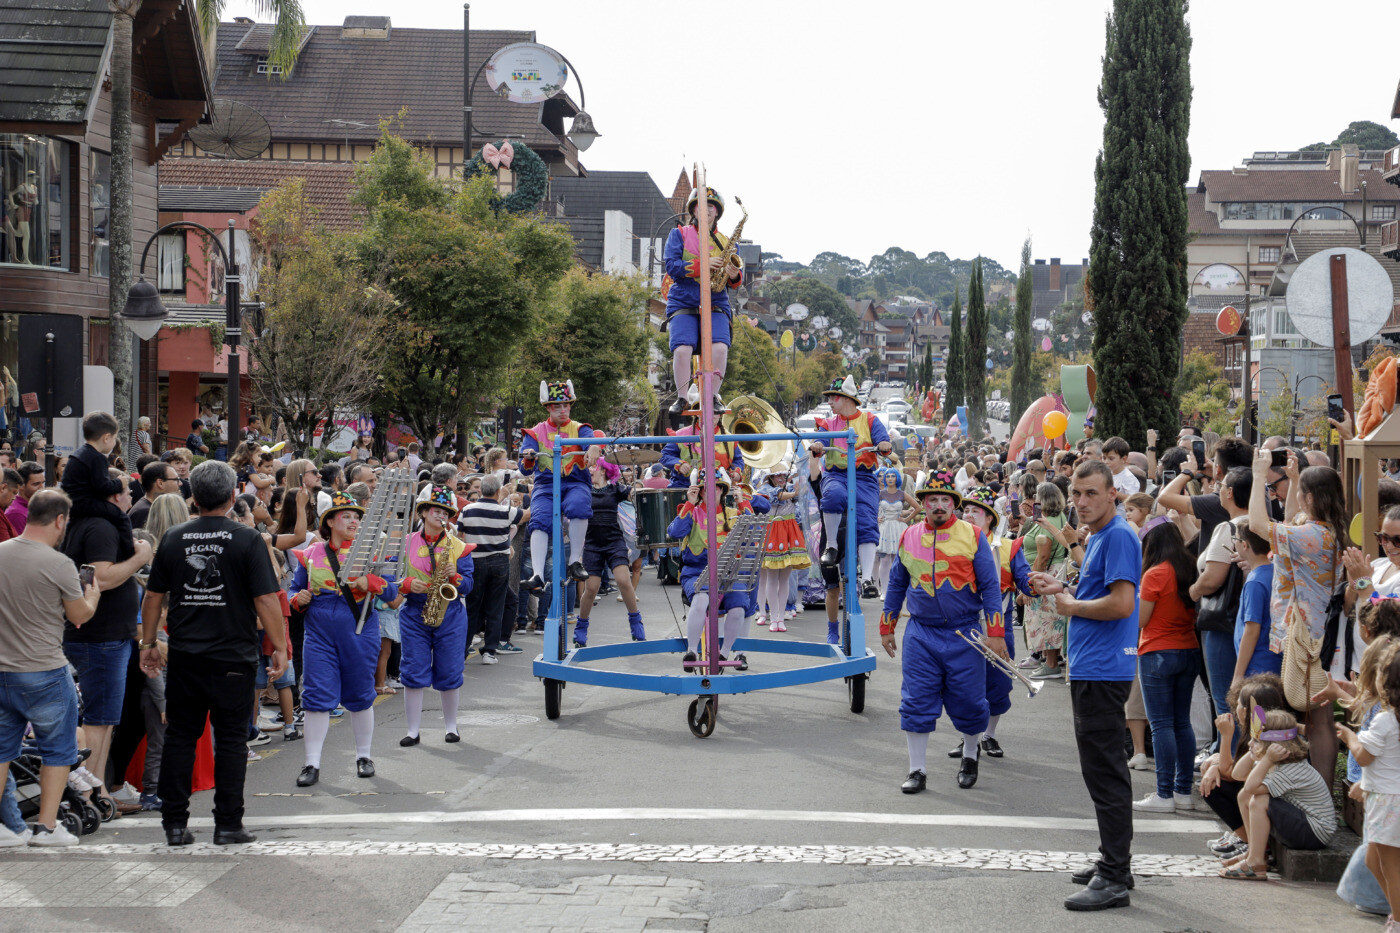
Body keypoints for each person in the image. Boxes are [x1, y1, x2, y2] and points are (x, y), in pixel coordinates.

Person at [138, 460, 286, 846]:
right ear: (233, 494)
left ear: (193, 496)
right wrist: (280, 647)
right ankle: (228, 824)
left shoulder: (172, 537)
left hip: (186, 655)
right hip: (233, 657)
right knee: (233, 741)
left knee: (181, 737)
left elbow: (154, 596)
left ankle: (174, 824)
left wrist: (149, 642)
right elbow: (267, 600)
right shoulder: (248, 539)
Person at [1029, 460, 1140, 911]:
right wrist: (1062, 585)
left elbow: (1120, 603)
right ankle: (1116, 864)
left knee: (1105, 772)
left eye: (1091, 493)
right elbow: (1098, 591)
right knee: (1102, 770)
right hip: (1095, 666)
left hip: (1104, 668)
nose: (1081, 502)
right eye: (1077, 494)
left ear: (1113, 493)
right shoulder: (1098, 537)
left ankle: (1114, 875)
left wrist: (1070, 606)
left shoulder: (1117, 536)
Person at [880, 470, 1004, 792]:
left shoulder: (973, 536)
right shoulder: (909, 536)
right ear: (922, 503)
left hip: (966, 634)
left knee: (970, 701)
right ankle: (917, 770)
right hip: (921, 634)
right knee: (916, 700)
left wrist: (996, 633)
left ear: (954, 504)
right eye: (932, 499)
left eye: (944, 500)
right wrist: (887, 625)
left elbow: (991, 587)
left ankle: (970, 753)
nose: (938, 505)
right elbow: (896, 583)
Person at [0, 490, 101, 846]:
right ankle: (45, 828)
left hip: (2, 669)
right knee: (58, 751)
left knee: (1, 751)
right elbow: (79, 617)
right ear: (60, 520)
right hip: (44, 669)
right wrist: (92, 596)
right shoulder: (59, 563)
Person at [1249, 447, 1348, 789]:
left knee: (1316, 717)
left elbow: (1258, 525)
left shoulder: (1312, 536)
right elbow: (1291, 519)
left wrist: (1260, 475)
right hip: (1316, 631)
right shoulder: (1326, 528)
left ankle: (1317, 791)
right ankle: (1316, 788)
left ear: (1310, 498)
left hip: (1309, 637)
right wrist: (1293, 481)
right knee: (1314, 714)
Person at [289, 491, 398, 787]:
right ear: (330, 522)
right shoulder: (310, 555)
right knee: (316, 697)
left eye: (356, 517)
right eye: (346, 516)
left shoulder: (372, 552)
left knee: (361, 695)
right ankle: (312, 762)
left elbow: (393, 593)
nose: (353, 521)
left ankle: (364, 756)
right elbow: (294, 589)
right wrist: (297, 598)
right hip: (319, 633)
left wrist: (372, 582)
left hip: (360, 630)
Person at [61, 466, 152, 813]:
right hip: (101, 639)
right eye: (129, 491)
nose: (133, 496)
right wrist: (141, 557)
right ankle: (90, 797)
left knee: (105, 720)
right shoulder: (100, 526)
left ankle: (98, 792)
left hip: (104, 637)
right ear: (115, 496)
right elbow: (100, 578)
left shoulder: (93, 524)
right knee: (100, 721)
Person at [948, 486, 1032, 760]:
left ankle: (989, 735)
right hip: (964, 627)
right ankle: (967, 737)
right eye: (967, 511)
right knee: (964, 686)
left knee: (998, 684)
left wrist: (1036, 584)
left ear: (990, 519)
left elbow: (1024, 579)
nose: (969, 516)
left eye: (977, 512)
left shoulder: (1007, 547)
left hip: (1000, 626)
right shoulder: (952, 545)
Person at [1131, 521, 1200, 813]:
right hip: (1189, 648)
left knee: (1161, 725)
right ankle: (1183, 791)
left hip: (1157, 649)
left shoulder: (1155, 573)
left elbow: (1140, 620)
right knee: (1182, 722)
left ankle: (1164, 794)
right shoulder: (1190, 568)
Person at [1219, 707, 1336, 879]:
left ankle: (1255, 863)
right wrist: (1255, 752)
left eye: (1256, 740)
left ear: (1274, 746)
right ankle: (1255, 853)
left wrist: (1265, 758)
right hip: (1305, 825)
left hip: (1315, 833)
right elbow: (1238, 775)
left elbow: (1252, 788)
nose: (1250, 744)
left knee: (1258, 801)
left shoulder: (1289, 769)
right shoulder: (1276, 762)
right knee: (1244, 796)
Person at [397, 485, 475, 743]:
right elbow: (390, 578)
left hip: (450, 612)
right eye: (435, 509)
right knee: (413, 670)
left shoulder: (458, 546)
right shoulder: (404, 543)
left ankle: (451, 727)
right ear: (422, 511)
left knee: (450, 671)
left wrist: (455, 575)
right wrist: (407, 585)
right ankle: (413, 731)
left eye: (445, 511)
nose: (440, 515)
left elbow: (468, 586)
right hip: (414, 611)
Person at [663, 185, 744, 418]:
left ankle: (712, 395)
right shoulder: (678, 234)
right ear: (693, 209)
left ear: (717, 212)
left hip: (716, 297)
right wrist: (703, 264)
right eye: (701, 205)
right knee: (682, 349)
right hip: (684, 297)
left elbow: (737, 282)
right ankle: (682, 397)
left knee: (720, 347)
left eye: (711, 207)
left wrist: (732, 274)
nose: (706, 210)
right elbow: (672, 266)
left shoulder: (726, 241)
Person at [810, 376, 893, 599]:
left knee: (867, 520)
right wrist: (818, 445)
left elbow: (883, 441)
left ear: (846, 398)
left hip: (863, 477)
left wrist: (884, 445)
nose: (829, 402)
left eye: (832, 397)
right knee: (832, 496)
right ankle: (831, 546)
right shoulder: (828, 424)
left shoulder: (870, 420)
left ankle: (866, 578)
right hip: (837, 475)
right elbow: (819, 444)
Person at [668, 468, 754, 670]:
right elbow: (675, 531)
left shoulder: (733, 514)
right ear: (699, 491)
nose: (711, 491)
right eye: (705, 488)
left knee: (739, 605)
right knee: (701, 598)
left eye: (715, 488)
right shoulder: (692, 511)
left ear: (722, 490)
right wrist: (689, 502)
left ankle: (724, 654)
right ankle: (691, 650)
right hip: (696, 571)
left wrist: (742, 501)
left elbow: (753, 528)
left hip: (728, 575)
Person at [520, 380, 594, 589]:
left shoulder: (581, 429)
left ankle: (575, 562)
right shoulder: (534, 433)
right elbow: (524, 469)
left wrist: (595, 449)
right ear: (548, 408)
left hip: (575, 481)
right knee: (539, 519)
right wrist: (528, 457)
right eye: (557, 406)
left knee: (579, 505)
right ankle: (537, 574)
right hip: (545, 484)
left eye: (566, 405)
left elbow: (592, 443)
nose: (563, 410)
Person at [575, 458, 644, 647]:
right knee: (591, 589)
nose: (590, 470)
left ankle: (635, 622)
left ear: (604, 471)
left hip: (614, 542)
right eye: (588, 466)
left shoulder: (615, 489)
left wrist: (634, 492)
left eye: (593, 467)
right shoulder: (583, 490)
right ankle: (581, 628)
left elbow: (632, 495)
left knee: (623, 580)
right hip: (592, 545)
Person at [458, 474, 527, 660]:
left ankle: (463, 650)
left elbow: (459, 535)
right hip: (499, 561)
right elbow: (527, 514)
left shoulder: (467, 510)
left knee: (472, 607)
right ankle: (489, 650)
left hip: (474, 561)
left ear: (481, 490)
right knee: (496, 606)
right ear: (497, 491)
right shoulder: (507, 511)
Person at [1020, 482, 1071, 679]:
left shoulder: (1049, 520)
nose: (1034, 500)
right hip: (1053, 572)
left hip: (1047, 573)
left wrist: (1030, 585)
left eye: (1037, 497)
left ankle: (1050, 664)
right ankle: (1052, 660)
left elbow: (1042, 557)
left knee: (1045, 620)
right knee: (1051, 619)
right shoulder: (1057, 517)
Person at [755, 462, 810, 632]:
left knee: (785, 578)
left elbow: (802, 507)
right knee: (769, 578)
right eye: (777, 475)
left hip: (789, 532)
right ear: (770, 477)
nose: (781, 478)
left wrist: (801, 490)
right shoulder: (765, 489)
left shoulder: (792, 488)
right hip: (771, 532)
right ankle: (769, 614)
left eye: (783, 475)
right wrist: (794, 492)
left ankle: (780, 616)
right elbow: (776, 496)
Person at [659, 385, 744, 489]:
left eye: (715, 411)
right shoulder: (681, 434)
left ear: (720, 414)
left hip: (719, 490)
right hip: (685, 487)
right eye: (705, 410)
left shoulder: (730, 438)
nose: (710, 415)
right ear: (696, 413)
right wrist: (679, 464)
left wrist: (736, 472)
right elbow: (664, 455)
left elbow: (738, 461)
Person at [874, 469, 909, 599]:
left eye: (892, 476)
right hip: (884, 528)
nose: (889, 478)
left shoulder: (902, 494)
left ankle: (898, 590)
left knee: (898, 561)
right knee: (883, 559)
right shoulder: (880, 493)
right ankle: (884, 591)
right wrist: (875, 518)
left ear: (897, 478)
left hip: (898, 528)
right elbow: (870, 507)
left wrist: (906, 519)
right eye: (887, 476)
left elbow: (917, 507)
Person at [128, 460, 181, 530]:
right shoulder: (144, 512)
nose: (180, 483)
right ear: (160, 483)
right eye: (176, 479)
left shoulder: (152, 507)